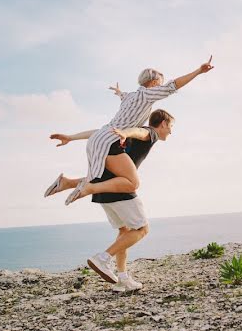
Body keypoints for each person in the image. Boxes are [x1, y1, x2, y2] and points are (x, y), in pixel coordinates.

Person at [46, 56, 213, 205]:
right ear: (153, 83)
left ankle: (66, 183)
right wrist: (198, 71)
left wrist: (71, 137)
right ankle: (87, 189)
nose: (160, 88)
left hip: (98, 138)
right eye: (159, 84)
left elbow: (122, 96)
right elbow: (173, 86)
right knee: (132, 183)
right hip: (111, 141)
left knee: (110, 178)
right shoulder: (148, 95)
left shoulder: (131, 97)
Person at [45, 109, 175, 291]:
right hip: (119, 190)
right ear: (162, 124)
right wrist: (127, 132)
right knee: (142, 229)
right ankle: (103, 258)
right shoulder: (148, 132)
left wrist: (71, 137)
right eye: (170, 127)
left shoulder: (127, 129)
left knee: (125, 231)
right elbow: (141, 132)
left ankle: (123, 279)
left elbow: (98, 133)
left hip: (106, 190)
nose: (170, 131)